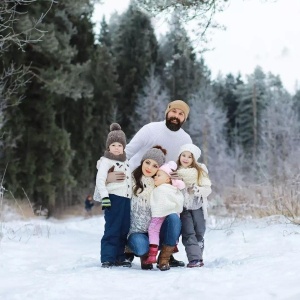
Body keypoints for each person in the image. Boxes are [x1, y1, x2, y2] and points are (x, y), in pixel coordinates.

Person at [106, 100, 193, 267]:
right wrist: (110, 171)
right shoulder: (151, 129)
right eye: (173, 112)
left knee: (169, 215)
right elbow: (129, 150)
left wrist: (180, 176)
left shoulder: (185, 139)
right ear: (167, 112)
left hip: (160, 185)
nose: (176, 116)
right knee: (129, 217)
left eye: (181, 114)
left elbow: (185, 163)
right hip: (136, 180)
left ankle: (167, 253)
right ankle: (126, 251)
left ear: (185, 119)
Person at [94, 123, 132, 268]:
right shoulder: (106, 161)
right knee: (112, 228)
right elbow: (100, 180)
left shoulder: (126, 161)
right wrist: (105, 197)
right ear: (108, 147)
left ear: (124, 147)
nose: (117, 147)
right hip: (113, 198)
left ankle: (120, 257)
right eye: (113, 144)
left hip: (126, 199)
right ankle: (108, 257)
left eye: (120, 145)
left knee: (124, 228)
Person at [143, 161, 185, 270]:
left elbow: (178, 200)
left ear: (167, 179)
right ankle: (152, 253)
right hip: (157, 218)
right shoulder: (153, 188)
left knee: (173, 219)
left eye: (158, 175)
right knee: (153, 228)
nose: (155, 177)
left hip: (168, 219)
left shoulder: (172, 189)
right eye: (155, 175)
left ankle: (164, 258)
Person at [176, 144, 212, 268]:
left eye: (189, 157)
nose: (185, 158)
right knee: (188, 233)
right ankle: (194, 259)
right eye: (183, 155)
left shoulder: (200, 171)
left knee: (199, 232)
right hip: (183, 208)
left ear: (194, 159)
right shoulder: (175, 171)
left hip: (197, 207)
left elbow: (207, 189)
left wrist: (196, 189)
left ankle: (198, 250)